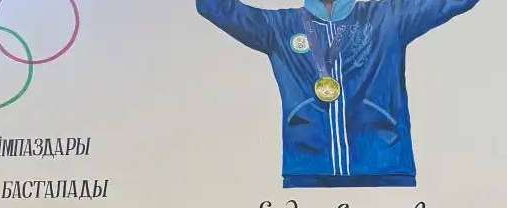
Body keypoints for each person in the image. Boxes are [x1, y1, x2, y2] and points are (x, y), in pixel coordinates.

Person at [196, 0, 479, 188]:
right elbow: (214, 7)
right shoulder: (280, 28)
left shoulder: (389, 17)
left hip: (385, 170)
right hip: (308, 173)